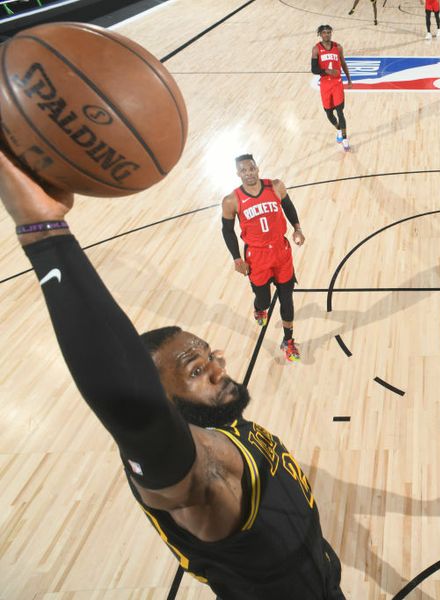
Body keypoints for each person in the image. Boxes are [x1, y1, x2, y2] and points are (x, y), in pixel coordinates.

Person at [0, 150, 345, 599]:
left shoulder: (221, 424)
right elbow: (132, 407)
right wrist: (45, 235)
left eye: (209, 356)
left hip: (320, 577)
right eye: (197, 370)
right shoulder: (201, 474)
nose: (218, 370)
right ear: (161, 400)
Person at [221, 154, 304, 363]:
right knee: (264, 300)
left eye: (251, 169)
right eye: (243, 170)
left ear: (257, 168)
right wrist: (236, 258)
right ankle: (259, 309)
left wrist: (297, 229)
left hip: (281, 251)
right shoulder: (232, 200)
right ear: (238, 174)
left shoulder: (275, 186)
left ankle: (288, 341)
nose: (248, 173)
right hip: (256, 257)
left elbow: (289, 207)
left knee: (287, 298)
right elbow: (227, 230)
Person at [311, 25, 353, 151]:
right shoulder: (316, 49)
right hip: (325, 84)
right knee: (328, 113)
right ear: (320, 34)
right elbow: (314, 69)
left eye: (329, 32)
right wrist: (327, 71)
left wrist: (349, 79)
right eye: (324, 33)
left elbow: (343, 63)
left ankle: (345, 139)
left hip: (337, 83)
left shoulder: (338, 47)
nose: (327, 35)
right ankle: (338, 129)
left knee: (340, 111)